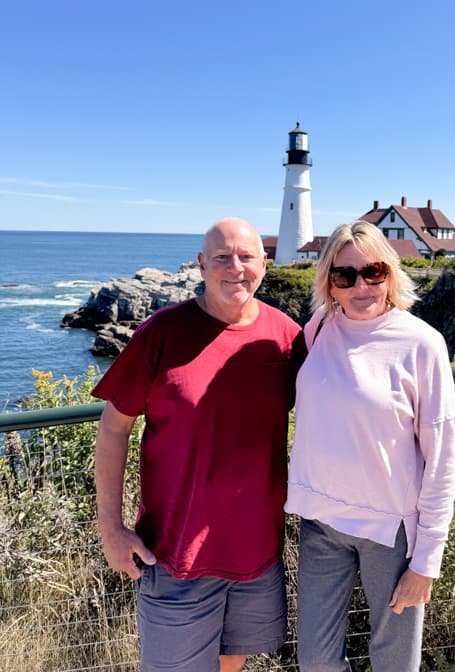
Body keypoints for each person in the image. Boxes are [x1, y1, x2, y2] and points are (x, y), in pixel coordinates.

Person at [93, 218, 305, 672]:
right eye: (223, 257)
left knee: (232, 665)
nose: (236, 268)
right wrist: (110, 528)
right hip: (175, 555)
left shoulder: (287, 337)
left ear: (264, 264)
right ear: (201, 265)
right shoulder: (161, 333)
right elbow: (113, 428)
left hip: (257, 555)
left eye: (246, 257)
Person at [285, 220, 455, 672]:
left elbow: (442, 460)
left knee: (395, 664)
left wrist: (427, 562)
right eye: (345, 276)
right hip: (321, 522)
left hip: (391, 531)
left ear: (390, 274)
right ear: (329, 282)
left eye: (373, 272)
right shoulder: (319, 329)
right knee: (317, 663)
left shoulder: (422, 343)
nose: (360, 285)